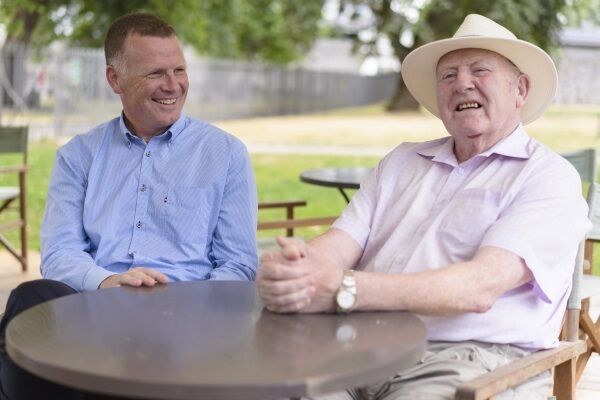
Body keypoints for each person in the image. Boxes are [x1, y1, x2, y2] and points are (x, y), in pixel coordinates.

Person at [258, 14, 591, 400]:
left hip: (470, 362)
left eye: (479, 70)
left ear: (521, 89)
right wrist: (296, 267)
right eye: (447, 76)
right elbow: (339, 244)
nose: (461, 83)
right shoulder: (402, 161)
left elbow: (478, 288)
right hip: (355, 349)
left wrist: (344, 288)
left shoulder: (548, 176)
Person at [0, 12, 257, 400]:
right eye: (155, 73)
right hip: (95, 309)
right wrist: (109, 283)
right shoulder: (78, 155)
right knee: (27, 301)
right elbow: (59, 252)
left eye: (179, 69)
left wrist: (183, 306)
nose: (173, 85)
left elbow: (238, 264)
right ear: (114, 79)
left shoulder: (226, 154)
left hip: (185, 318)